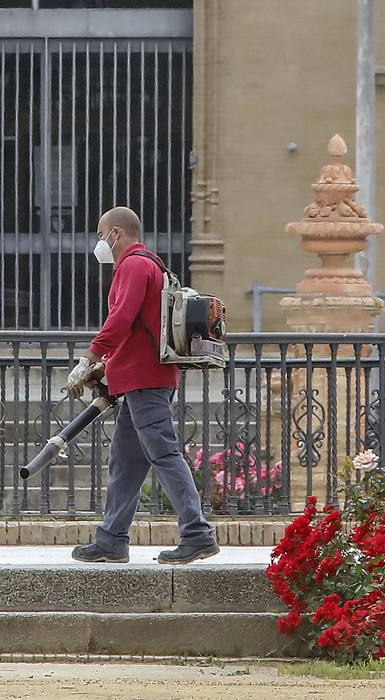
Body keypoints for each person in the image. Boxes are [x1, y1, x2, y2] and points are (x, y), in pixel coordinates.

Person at [68, 206, 218, 565]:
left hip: (145, 381)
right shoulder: (151, 265)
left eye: (101, 233)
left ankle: (197, 534)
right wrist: (106, 367)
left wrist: (90, 356)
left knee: (164, 454)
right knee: (126, 461)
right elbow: (136, 332)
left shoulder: (134, 266)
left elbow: (120, 320)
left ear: (116, 233)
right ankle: (112, 539)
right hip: (141, 378)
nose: (99, 241)